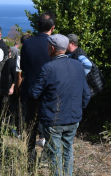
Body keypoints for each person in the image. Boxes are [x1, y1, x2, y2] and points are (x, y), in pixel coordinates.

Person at [30, 34, 91, 175]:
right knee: (68, 151)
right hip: (73, 117)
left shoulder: (48, 68)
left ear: (52, 47)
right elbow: (86, 93)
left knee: (54, 154)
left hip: (53, 118)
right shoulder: (78, 66)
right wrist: (78, 109)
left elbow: (35, 93)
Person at [20, 11, 56, 159]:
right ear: (52, 28)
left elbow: (22, 66)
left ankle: (30, 153)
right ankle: (48, 154)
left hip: (30, 89)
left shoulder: (27, 43)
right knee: (49, 125)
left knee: (31, 123)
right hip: (49, 91)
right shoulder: (54, 44)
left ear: (37, 25)